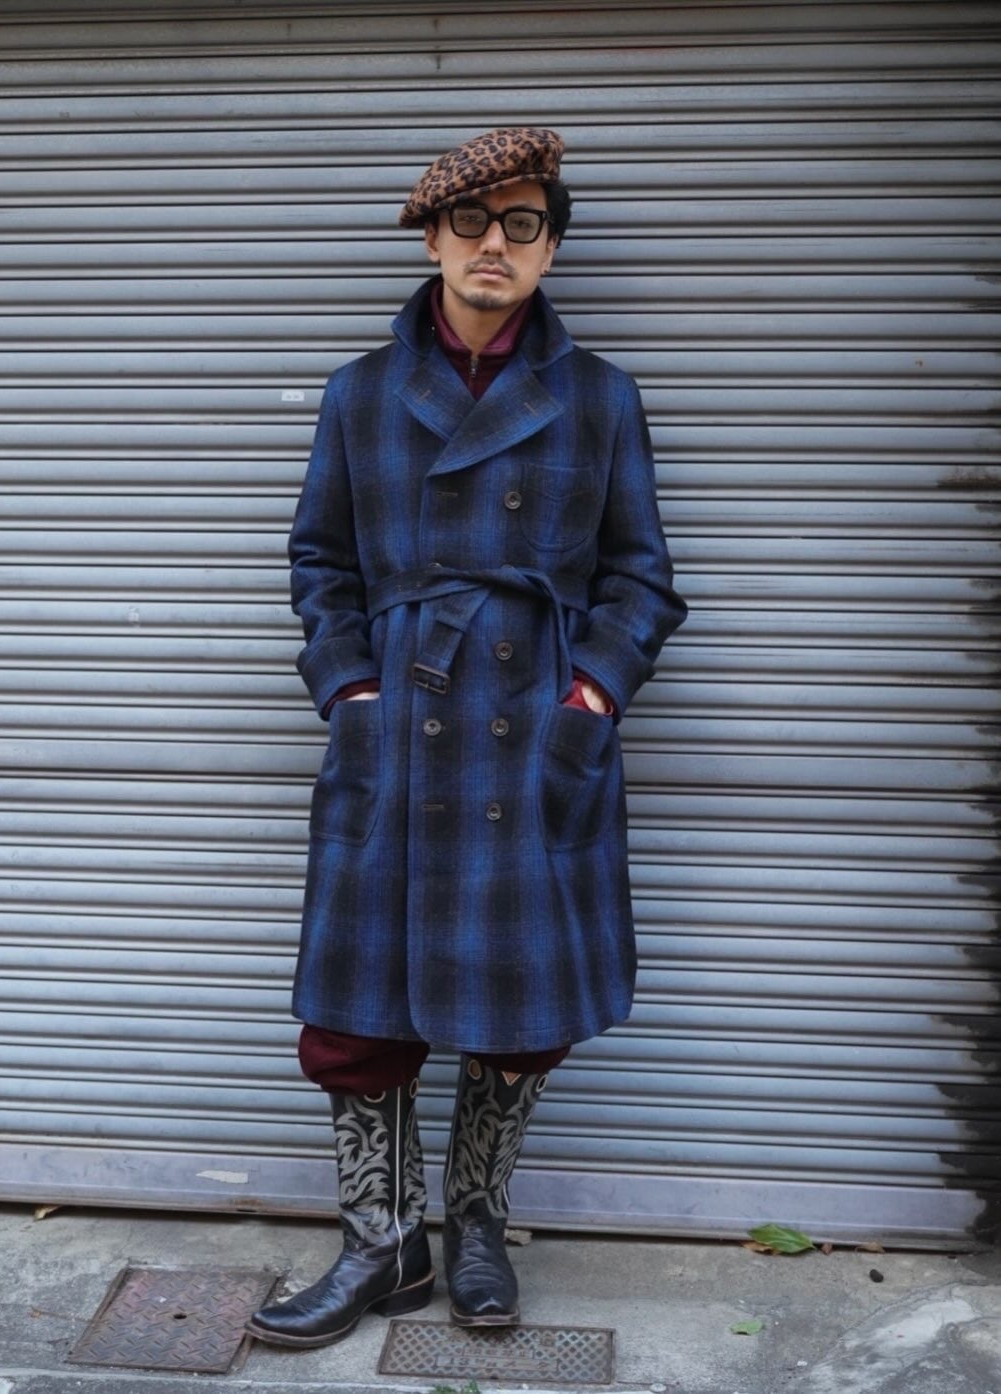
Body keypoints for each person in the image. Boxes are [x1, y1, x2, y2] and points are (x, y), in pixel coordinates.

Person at [246, 127, 687, 1350]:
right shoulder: (360, 392)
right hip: (397, 731)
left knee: (520, 1010)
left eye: (523, 223)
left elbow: (641, 580)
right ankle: (381, 1240)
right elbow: (319, 562)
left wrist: (586, 701)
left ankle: (477, 1218)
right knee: (357, 1021)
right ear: (433, 239)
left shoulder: (598, 397)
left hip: (529, 733)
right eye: (472, 222)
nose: (495, 244)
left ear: (549, 247)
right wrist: (351, 690)